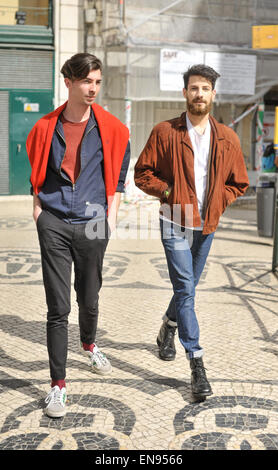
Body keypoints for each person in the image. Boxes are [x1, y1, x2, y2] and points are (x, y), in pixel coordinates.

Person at [134, 64, 249, 400]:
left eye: (205, 89)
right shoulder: (164, 132)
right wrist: (169, 194)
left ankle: (168, 328)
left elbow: (238, 183)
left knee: (188, 286)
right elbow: (143, 174)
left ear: (214, 94)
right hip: (175, 218)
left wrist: (219, 201)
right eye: (194, 88)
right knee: (186, 288)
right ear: (184, 92)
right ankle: (196, 362)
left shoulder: (227, 137)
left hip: (207, 224)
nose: (200, 94)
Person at [26, 53, 130, 417]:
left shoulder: (113, 129)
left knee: (90, 296)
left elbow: (117, 179)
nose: (93, 89)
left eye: (98, 82)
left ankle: (89, 344)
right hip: (53, 220)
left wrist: (111, 217)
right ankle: (57, 386)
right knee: (58, 307)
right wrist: (38, 210)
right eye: (87, 81)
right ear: (68, 81)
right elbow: (36, 170)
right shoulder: (44, 127)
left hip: (94, 221)